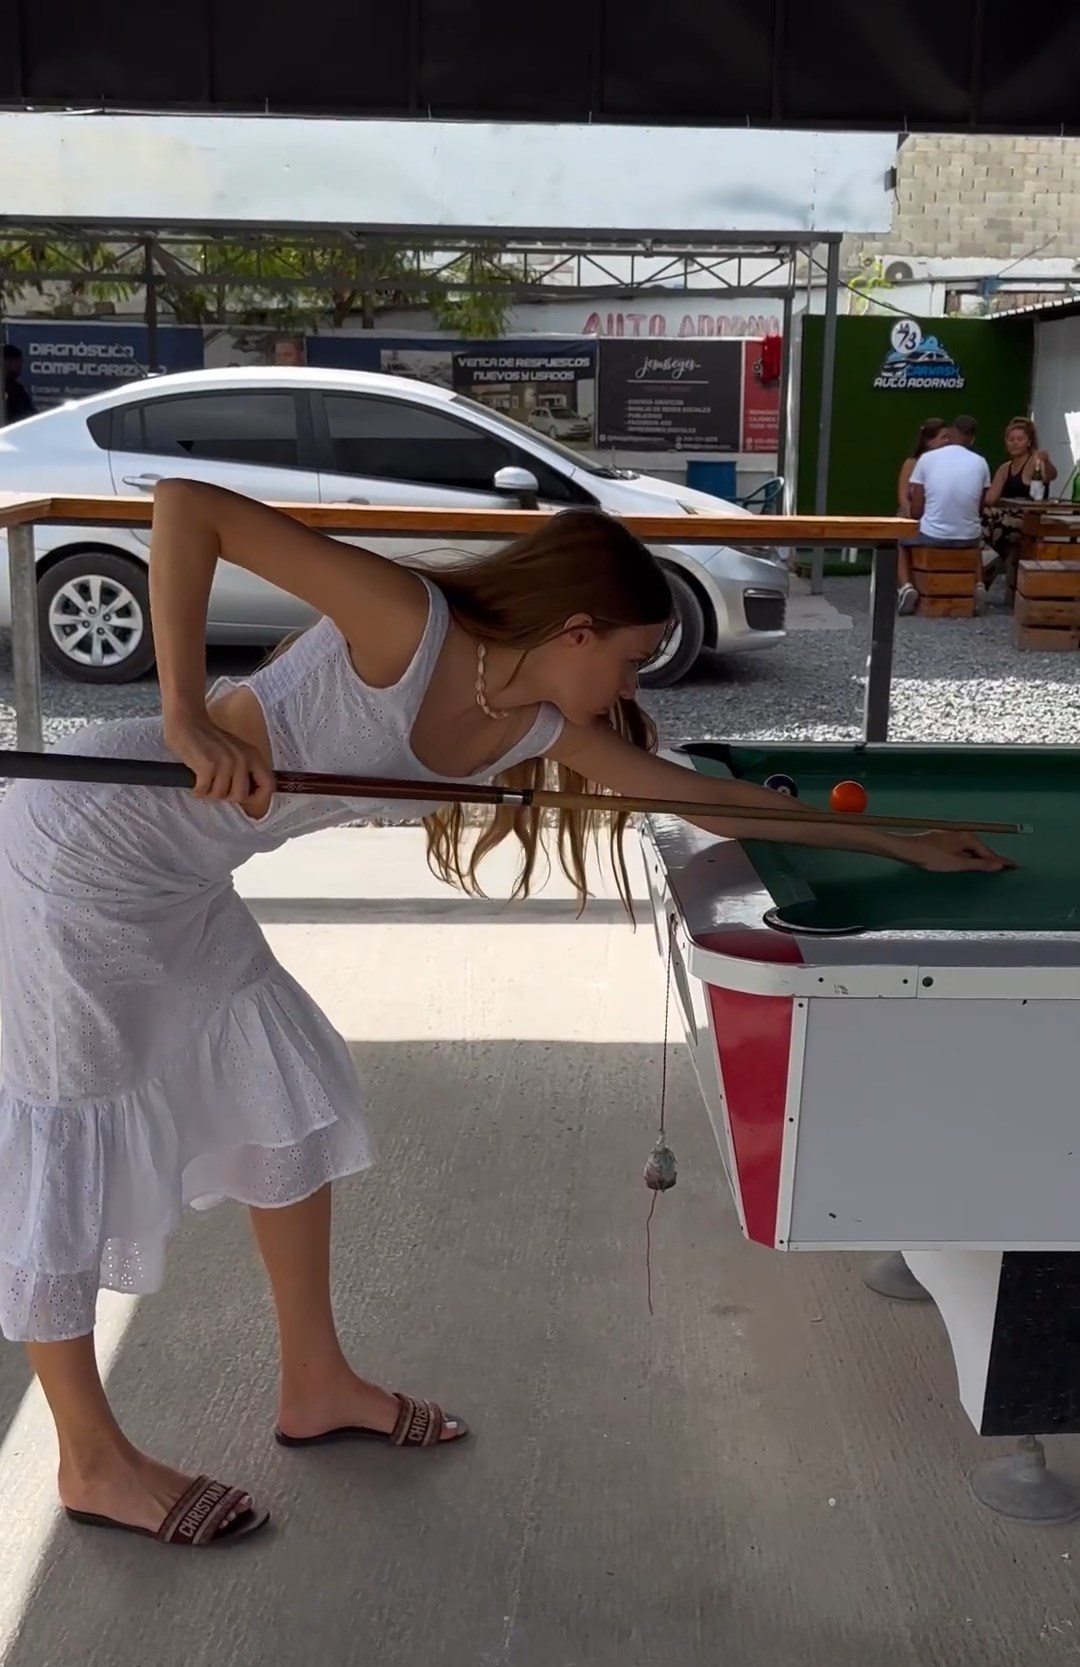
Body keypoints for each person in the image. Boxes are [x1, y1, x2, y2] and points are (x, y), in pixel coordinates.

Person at [0, 487, 1012, 1550]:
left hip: (185, 877)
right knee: (68, 1141)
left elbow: (701, 800)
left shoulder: (534, 726)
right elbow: (187, 509)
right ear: (575, 630)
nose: (631, 684)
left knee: (287, 1094)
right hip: (82, 853)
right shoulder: (409, 627)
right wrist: (185, 712)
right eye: (629, 658)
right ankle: (90, 1459)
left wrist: (900, 843)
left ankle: (317, 1382)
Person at [897, 414, 991, 613]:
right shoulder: (981, 462)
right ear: (972, 439)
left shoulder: (926, 460)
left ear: (953, 433)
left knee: (899, 539)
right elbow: (979, 508)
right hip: (968, 538)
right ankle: (978, 584)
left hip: (932, 534)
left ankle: (906, 586)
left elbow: (916, 512)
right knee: (974, 534)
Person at [983, 418, 1059, 587]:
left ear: (1029, 442)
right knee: (982, 518)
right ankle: (986, 561)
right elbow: (990, 498)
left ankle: (989, 567)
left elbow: (1050, 476)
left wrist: (1046, 462)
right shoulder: (1005, 468)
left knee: (1004, 526)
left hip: (1028, 516)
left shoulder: (1035, 461)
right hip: (1006, 514)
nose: (1015, 443)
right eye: (1011, 439)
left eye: (1019, 439)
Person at [897, 418, 949, 518]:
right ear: (929, 441)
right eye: (943, 437)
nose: (947, 441)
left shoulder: (948, 463)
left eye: (948, 437)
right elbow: (903, 497)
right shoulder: (911, 463)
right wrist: (912, 518)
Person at [3, 344, 35, 424]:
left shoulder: (15, 387)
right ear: (7, 362)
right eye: (18, 362)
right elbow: (28, 415)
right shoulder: (14, 389)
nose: (20, 366)